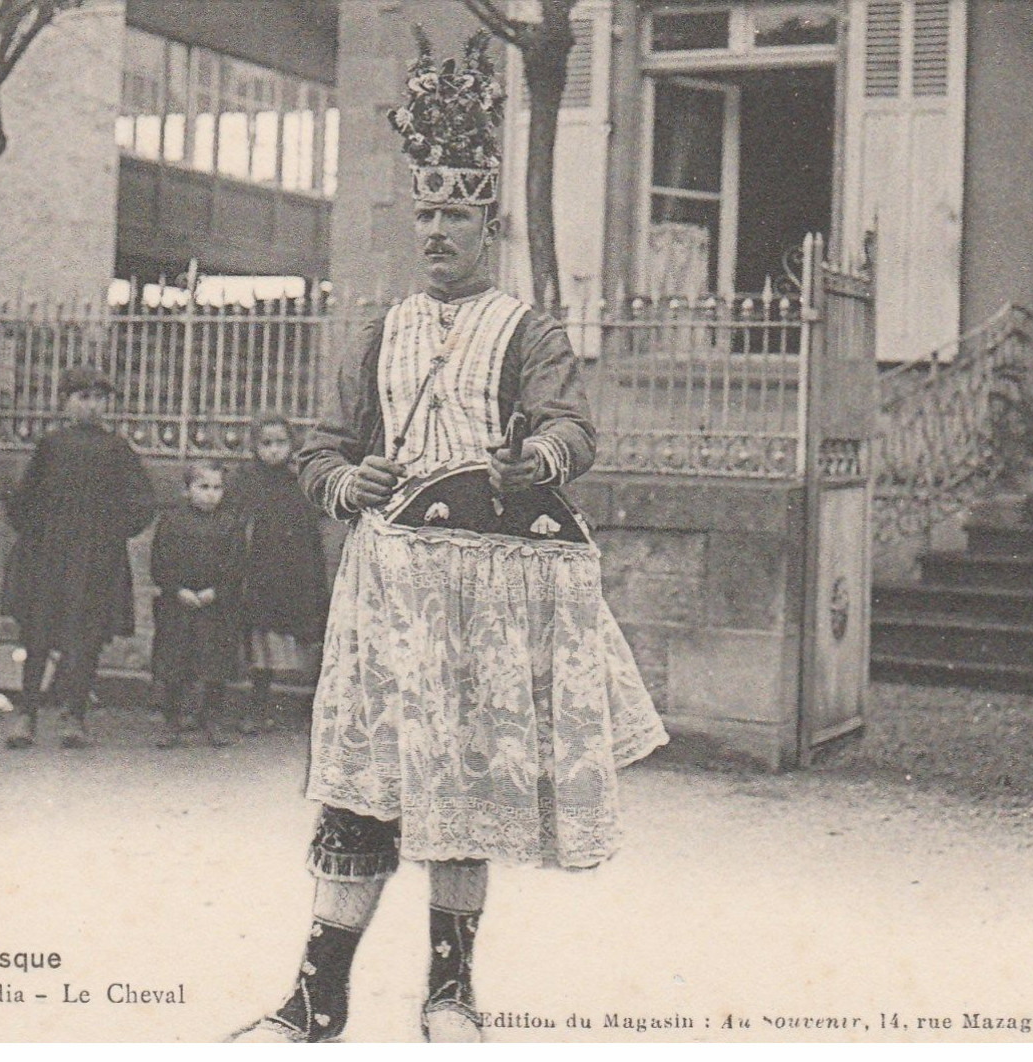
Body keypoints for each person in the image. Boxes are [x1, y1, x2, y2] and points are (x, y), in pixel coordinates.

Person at [231, 29, 667, 1043]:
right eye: (422, 211)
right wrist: (344, 477)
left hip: (485, 598)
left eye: (454, 214)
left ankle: (449, 991)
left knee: (461, 787)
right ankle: (315, 996)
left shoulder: (527, 329)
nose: (434, 230)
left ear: (487, 222)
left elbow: (572, 428)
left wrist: (536, 463)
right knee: (364, 782)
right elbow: (319, 448)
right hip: (384, 591)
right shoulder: (378, 331)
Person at [0, 366, 157, 750]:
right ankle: (27, 711)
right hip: (48, 557)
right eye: (82, 397)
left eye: (99, 398)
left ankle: (75, 714)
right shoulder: (51, 446)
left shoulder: (117, 449)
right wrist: (38, 533)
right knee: (36, 634)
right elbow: (25, 499)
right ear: (65, 403)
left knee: (86, 638)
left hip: (96, 561)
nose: (91, 406)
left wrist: (111, 532)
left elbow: (142, 502)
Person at [232, 412, 329, 734]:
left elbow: (311, 529)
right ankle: (259, 705)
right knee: (260, 641)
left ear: (292, 445)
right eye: (266, 443)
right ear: (255, 446)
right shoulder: (245, 481)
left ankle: (312, 705)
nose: (274, 450)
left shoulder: (298, 481)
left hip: (293, 572)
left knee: (303, 637)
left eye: (281, 443)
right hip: (258, 571)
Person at [149, 459, 241, 749]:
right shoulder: (172, 521)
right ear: (187, 490)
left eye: (217, 488)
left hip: (215, 606)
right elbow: (159, 561)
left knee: (214, 662)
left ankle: (212, 718)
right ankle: (171, 721)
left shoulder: (230, 523)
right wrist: (177, 589)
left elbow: (237, 564)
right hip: (179, 605)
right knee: (174, 663)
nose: (211, 494)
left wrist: (218, 591)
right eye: (203, 487)